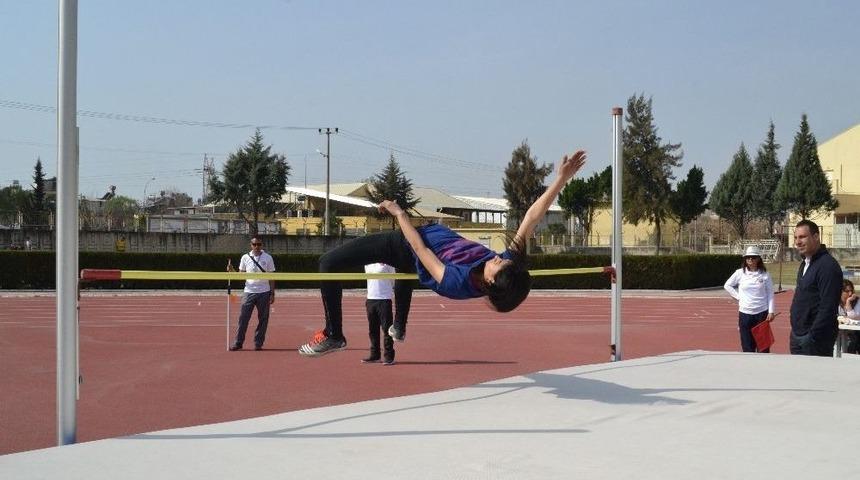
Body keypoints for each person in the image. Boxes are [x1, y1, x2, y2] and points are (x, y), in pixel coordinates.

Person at [298, 150, 587, 357]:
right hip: (418, 246)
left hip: (405, 246)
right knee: (403, 277)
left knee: (327, 263)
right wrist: (561, 180)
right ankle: (398, 326)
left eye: (498, 265)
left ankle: (334, 334)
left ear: (489, 282)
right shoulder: (503, 270)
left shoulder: (457, 281)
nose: (499, 258)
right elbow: (531, 217)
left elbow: (420, 249)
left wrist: (400, 213)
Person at [789, 219, 842, 356]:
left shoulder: (827, 266)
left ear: (816, 237)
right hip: (798, 335)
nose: (798, 242)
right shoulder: (805, 263)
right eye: (796, 237)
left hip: (814, 340)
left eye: (802, 237)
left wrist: (812, 335)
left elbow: (828, 306)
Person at [723, 246, 776, 352]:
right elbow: (727, 285)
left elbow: (770, 293)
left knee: (763, 347)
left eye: (753, 257)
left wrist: (771, 311)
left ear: (758, 259)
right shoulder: (739, 273)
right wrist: (738, 297)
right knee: (747, 346)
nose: (750, 259)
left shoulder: (765, 274)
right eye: (748, 257)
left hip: (761, 313)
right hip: (745, 314)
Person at [228, 237, 276, 351]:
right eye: (254, 244)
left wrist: (272, 293)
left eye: (259, 244)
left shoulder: (268, 257)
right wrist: (232, 270)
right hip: (249, 291)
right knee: (243, 318)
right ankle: (238, 342)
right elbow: (240, 276)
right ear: (251, 245)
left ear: (262, 245)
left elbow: (272, 277)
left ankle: (258, 343)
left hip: (264, 292)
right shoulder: (245, 257)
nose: (257, 247)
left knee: (263, 319)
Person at [363, 263, 397, 365]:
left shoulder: (388, 263)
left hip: (384, 299)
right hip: (370, 299)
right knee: (373, 330)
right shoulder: (367, 264)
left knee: (387, 329)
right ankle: (375, 355)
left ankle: (389, 356)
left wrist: (387, 291)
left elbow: (393, 280)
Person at [837, 278, 860, 354]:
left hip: (855, 332)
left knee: (853, 342)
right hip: (839, 332)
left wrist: (848, 302)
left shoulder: (857, 301)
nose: (850, 294)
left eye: (851, 291)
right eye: (847, 291)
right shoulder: (835, 302)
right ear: (840, 292)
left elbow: (854, 318)